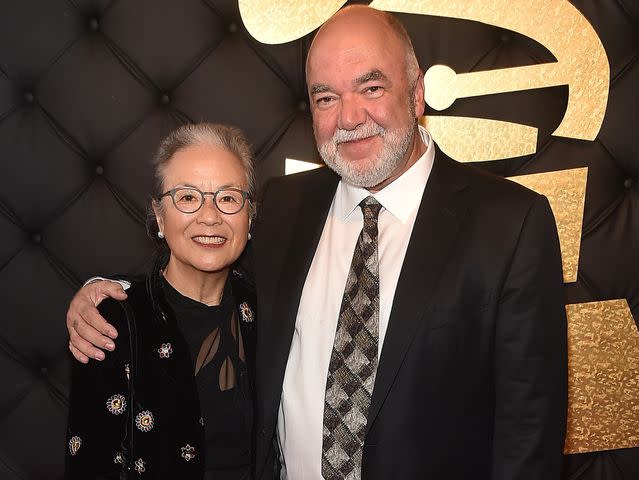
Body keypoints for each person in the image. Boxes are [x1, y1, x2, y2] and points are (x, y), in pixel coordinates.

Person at [66, 6, 568, 480]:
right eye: (326, 97)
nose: (349, 118)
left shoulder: (510, 225)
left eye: (370, 87)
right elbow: (203, 272)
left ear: (416, 94)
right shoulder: (285, 206)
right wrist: (100, 293)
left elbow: (529, 433)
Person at [65, 123, 258, 479]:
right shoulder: (113, 323)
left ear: (249, 218)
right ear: (159, 216)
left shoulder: (269, 310)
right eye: (187, 197)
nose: (210, 216)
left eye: (228, 198)